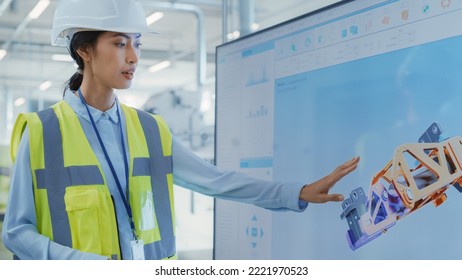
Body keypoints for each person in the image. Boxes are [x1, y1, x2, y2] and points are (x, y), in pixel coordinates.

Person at [1, 0, 360, 260]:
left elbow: (217, 180)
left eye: (137, 43)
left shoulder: (149, 129)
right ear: (84, 50)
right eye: (119, 42)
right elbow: (17, 232)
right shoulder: (42, 132)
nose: (133, 57)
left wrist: (297, 191)